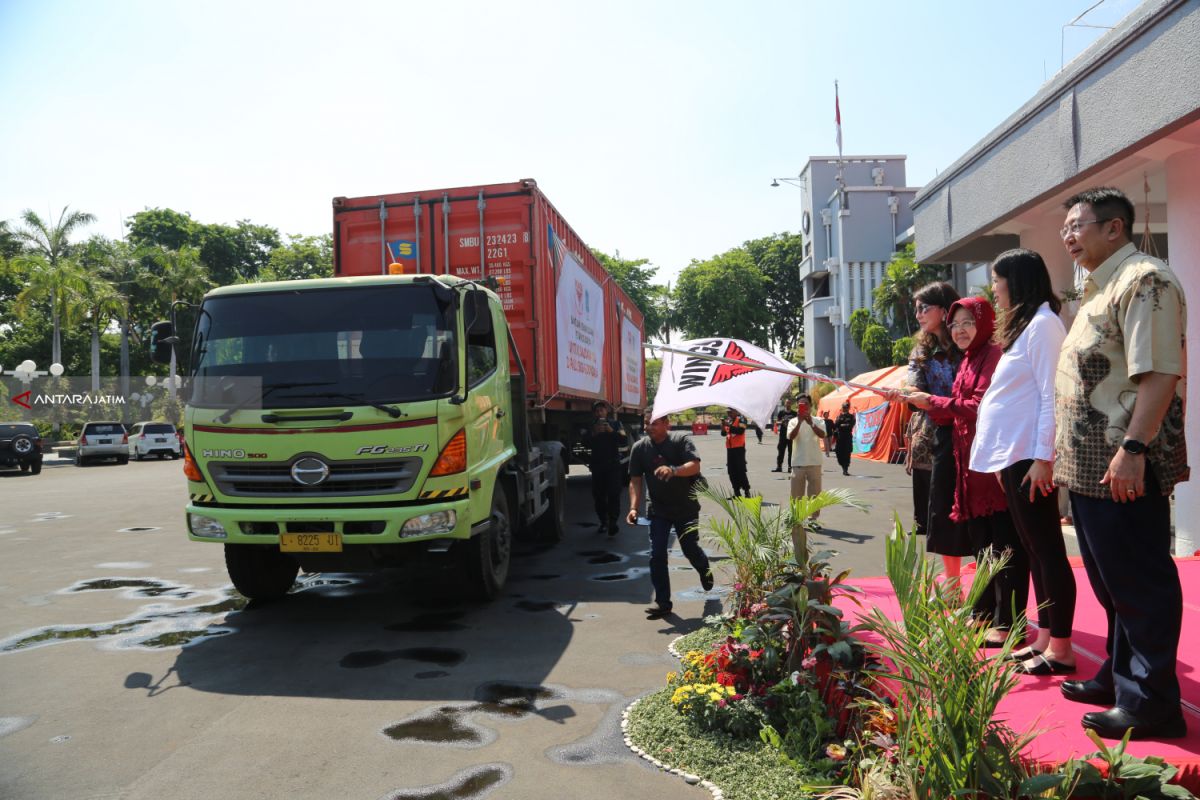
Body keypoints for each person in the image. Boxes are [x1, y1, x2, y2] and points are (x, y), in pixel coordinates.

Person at [1054, 187, 1188, 740]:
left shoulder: (1144, 280)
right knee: (1111, 583)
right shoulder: (1096, 289)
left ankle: (1153, 703)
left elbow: (1158, 374)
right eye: (1064, 226)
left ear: (1114, 229)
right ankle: (1120, 676)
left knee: (1139, 581)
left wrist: (1133, 450)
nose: (1067, 235)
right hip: (1088, 466)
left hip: (1122, 463)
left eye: (1077, 225)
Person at [969, 249, 1076, 676]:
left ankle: (1062, 648)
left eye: (998, 281)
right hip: (1013, 457)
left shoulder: (1045, 325)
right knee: (1034, 548)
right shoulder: (1028, 326)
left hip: (1030, 458)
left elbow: (1053, 396)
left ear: (1017, 281)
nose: (994, 290)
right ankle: (1047, 638)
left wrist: (1043, 457)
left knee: (1047, 548)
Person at [909, 297, 1024, 645]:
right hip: (968, 465)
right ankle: (984, 612)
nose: (959, 331)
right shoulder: (970, 358)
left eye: (967, 324)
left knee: (1003, 546)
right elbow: (952, 412)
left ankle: (1007, 622)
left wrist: (933, 402)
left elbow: (978, 406)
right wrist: (918, 402)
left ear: (984, 323)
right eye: (955, 324)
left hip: (991, 468)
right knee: (983, 545)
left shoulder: (993, 356)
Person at [903, 282, 972, 590]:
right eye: (916, 308)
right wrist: (912, 395)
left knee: (979, 509)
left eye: (923, 308)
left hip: (971, 433)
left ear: (945, 310)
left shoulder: (970, 344)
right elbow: (912, 387)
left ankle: (986, 581)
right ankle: (953, 583)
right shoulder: (922, 350)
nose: (917, 314)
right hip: (935, 437)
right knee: (941, 510)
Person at [627, 414, 714, 619]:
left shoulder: (681, 441)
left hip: (686, 507)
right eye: (646, 423)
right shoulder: (640, 448)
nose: (649, 427)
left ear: (667, 424)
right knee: (657, 555)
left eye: (654, 423)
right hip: (658, 510)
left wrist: (673, 470)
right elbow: (635, 480)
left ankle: (704, 569)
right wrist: (633, 508)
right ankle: (663, 603)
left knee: (689, 548)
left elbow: (695, 465)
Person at [582, 400, 626, 536]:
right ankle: (603, 522)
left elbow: (623, 440)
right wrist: (594, 433)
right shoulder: (591, 426)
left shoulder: (616, 424)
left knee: (614, 494)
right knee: (599, 496)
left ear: (607, 411)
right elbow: (584, 443)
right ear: (594, 413)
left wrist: (611, 431)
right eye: (597, 410)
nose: (600, 412)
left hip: (613, 466)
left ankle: (613, 522)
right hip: (597, 466)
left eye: (602, 410)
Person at [788, 393, 827, 541]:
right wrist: (799, 422)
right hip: (798, 463)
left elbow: (823, 435)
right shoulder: (792, 421)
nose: (802, 407)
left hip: (814, 462)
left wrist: (811, 423)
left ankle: (813, 520)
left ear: (810, 406)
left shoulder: (818, 420)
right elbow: (791, 437)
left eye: (805, 404)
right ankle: (797, 520)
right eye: (800, 405)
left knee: (815, 495)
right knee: (796, 494)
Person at [720, 409, 752, 498]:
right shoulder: (729, 421)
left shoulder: (742, 419)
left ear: (736, 411)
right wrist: (723, 426)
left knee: (741, 470)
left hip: (739, 448)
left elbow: (740, 431)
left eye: (730, 412)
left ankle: (747, 491)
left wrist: (728, 426)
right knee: (731, 471)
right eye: (727, 412)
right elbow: (723, 433)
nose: (729, 414)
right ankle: (736, 492)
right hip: (730, 449)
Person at [772, 401, 795, 473]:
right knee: (781, 451)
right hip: (783, 435)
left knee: (791, 452)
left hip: (791, 435)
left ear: (791, 404)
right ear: (785, 404)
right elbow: (777, 422)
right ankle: (779, 467)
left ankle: (790, 467)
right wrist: (782, 421)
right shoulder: (781, 413)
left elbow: (797, 422)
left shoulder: (794, 413)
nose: (788, 404)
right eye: (787, 403)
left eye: (789, 403)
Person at [834, 402, 855, 476]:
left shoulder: (851, 416)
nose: (845, 409)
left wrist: (842, 425)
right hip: (840, 437)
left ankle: (845, 469)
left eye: (846, 407)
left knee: (847, 453)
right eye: (844, 407)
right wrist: (842, 423)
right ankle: (842, 465)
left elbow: (850, 425)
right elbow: (836, 425)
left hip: (847, 437)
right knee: (838, 452)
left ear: (848, 408)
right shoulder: (839, 416)